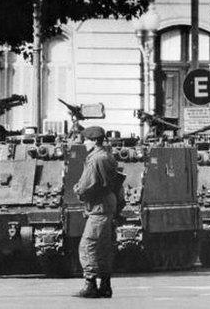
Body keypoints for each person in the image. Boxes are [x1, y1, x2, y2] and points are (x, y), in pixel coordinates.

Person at [73, 126, 124, 298]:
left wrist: (78, 190)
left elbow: (88, 184)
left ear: (94, 141)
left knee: (88, 245)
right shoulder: (107, 156)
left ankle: (90, 285)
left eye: (86, 139)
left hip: (98, 206)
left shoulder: (95, 159)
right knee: (103, 246)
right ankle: (105, 285)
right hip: (108, 204)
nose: (84, 142)